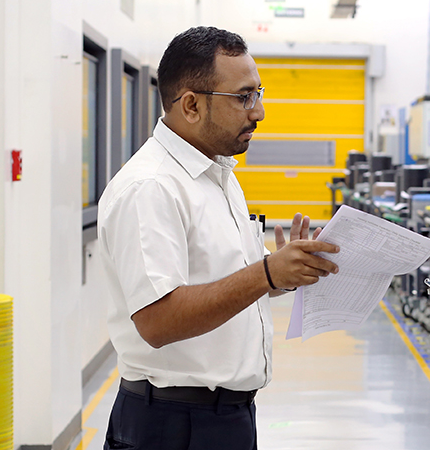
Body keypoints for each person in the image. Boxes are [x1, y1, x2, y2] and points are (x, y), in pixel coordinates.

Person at [98, 26, 340, 450]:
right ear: (191, 104)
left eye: (258, 93)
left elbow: (222, 281)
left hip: (227, 418)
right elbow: (157, 320)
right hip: (172, 426)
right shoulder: (151, 187)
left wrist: (284, 272)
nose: (259, 111)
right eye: (244, 97)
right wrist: (265, 273)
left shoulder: (217, 174)